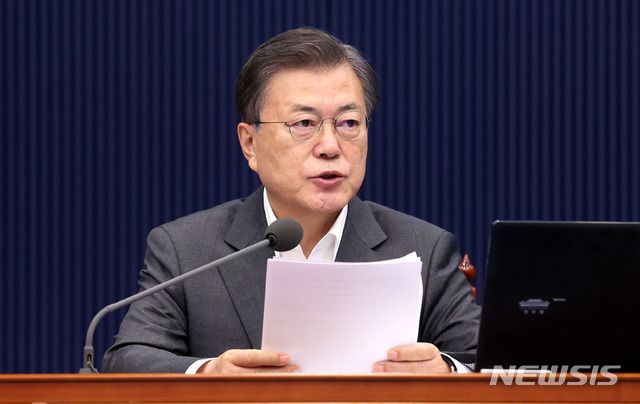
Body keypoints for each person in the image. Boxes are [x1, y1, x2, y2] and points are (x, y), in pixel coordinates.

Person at [103, 27, 480, 374]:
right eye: (304, 124)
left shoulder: (424, 248)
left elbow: (492, 365)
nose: (330, 146)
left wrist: (447, 371)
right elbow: (128, 359)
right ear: (250, 143)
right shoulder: (187, 250)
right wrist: (208, 374)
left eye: (349, 123)